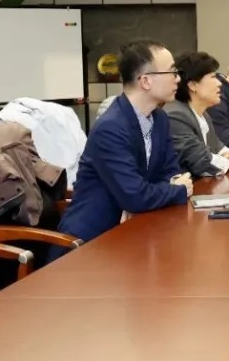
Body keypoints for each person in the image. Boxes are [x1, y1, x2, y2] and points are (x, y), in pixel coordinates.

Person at [53, 40, 192, 258]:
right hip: (90, 244)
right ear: (146, 81)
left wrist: (146, 198)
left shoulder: (160, 119)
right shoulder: (110, 127)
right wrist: (177, 190)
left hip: (135, 233)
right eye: (172, 72)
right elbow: (134, 195)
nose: (178, 78)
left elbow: (170, 173)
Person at [164, 51, 229, 178]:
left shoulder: (203, 114)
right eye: (213, 77)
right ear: (193, 85)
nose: (219, 83)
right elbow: (201, 161)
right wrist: (228, 162)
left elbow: (221, 150)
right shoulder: (176, 116)